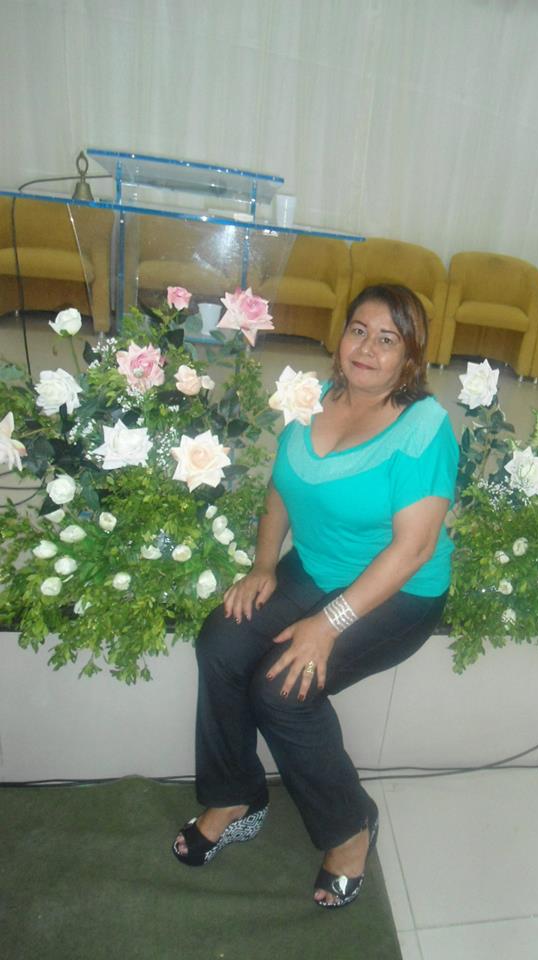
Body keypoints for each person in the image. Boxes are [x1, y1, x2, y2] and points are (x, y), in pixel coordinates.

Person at [172, 283, 459, 908]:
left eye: (388, 339)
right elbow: (284, 485)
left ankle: (350, 828)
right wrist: (264, 565)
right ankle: (234, 796)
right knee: (221, 642)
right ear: (341, 336)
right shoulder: (311, 398)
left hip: (398, 593)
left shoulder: (425, 429)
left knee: (283, 690)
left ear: (410, 356)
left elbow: (412, 549)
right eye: (359, 330)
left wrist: (328, 624)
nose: (368, 348)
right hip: (315, 568)